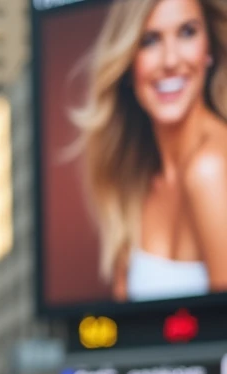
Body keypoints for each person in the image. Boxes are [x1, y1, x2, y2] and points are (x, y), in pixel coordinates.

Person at [70, 0, 227, 302]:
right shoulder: (132, 180)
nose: (170, 60)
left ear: (209, 50)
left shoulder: (211, 170)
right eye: (150, 40)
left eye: (187, 32)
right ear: (128, 63)